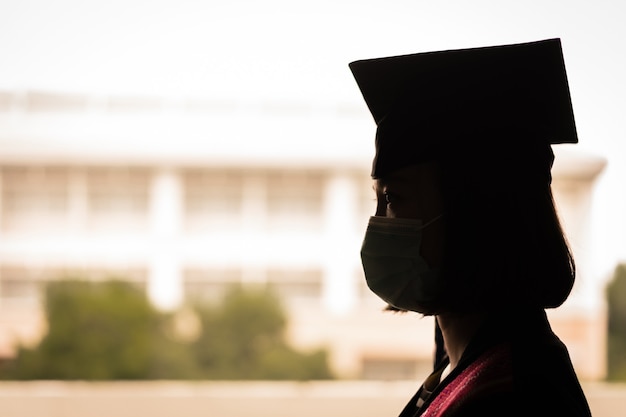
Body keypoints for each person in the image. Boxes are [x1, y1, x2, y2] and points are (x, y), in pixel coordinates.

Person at [349, 38, 593, 416]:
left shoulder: (512, 394)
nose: (378, 223)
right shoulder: (460, 366)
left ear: (473, 210)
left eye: (394, 198)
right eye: (377, 199)